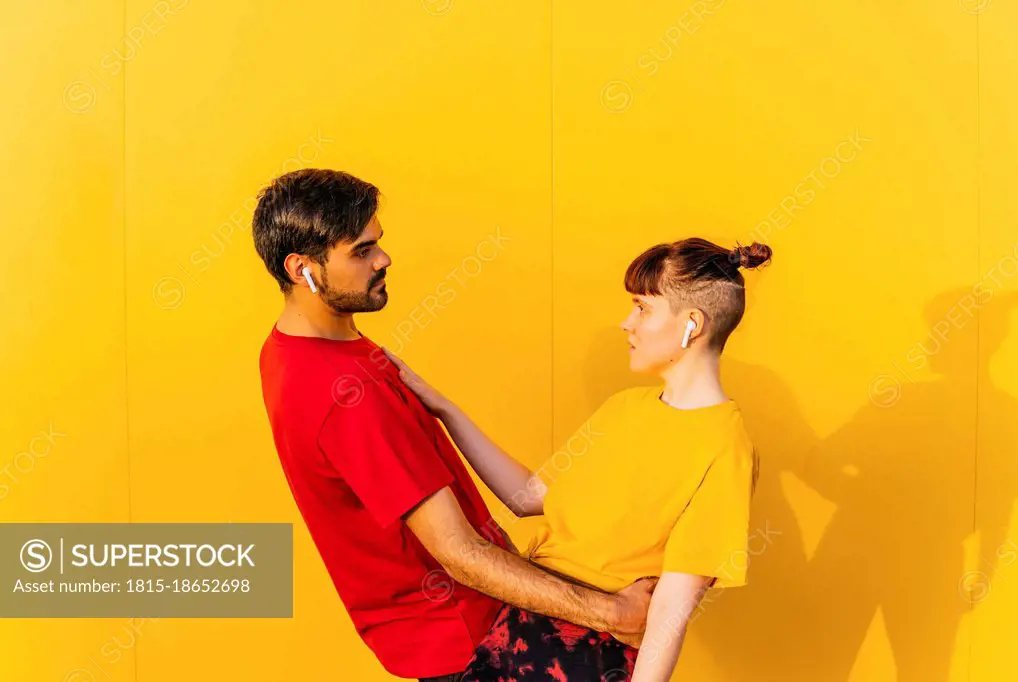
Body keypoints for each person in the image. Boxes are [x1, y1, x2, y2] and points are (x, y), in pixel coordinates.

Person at [251, 168, 654, 682]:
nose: (383, 259)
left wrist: (440, 408)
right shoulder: (347, 395)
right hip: (473, 643)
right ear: (302, 268)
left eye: (378, 243)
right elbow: (460, 555)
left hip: (454, 632)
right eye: (361, 251)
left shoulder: (289, 350)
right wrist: (612, 613)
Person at [384, 237, 770, 681]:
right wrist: (445, 410)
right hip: (515, 624)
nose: (627, 323)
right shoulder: (625, 408)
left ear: (692, 324)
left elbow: (671, 608)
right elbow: (531, 497)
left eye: (642, 308)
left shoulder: (725, 446)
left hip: (585, 657)